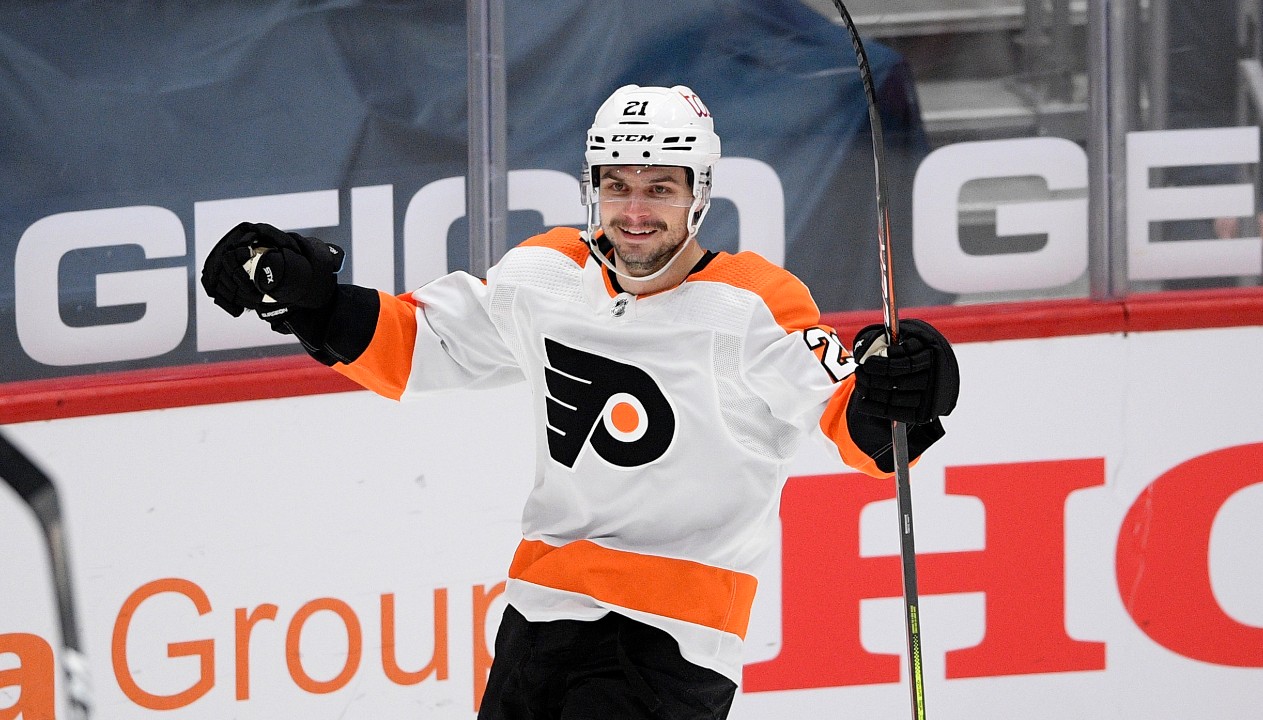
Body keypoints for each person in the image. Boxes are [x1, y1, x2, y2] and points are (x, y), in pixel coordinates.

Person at [201, 84, 959, 720]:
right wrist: (310, 299)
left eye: (660, 188)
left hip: (671, 637)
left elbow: (846, 414)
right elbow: (421, 345)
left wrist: (900, 397)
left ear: (698, 195)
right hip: (540, 613)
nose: (634, 211)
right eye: (617, 185)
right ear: (591, 185)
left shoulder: (752, 304)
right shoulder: (547, 273)